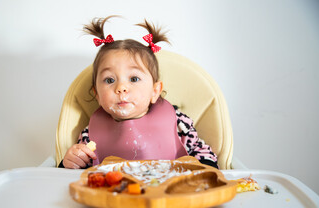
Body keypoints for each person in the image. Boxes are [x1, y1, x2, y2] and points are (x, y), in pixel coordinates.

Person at [60, 16, 218, 169]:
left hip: (168, 192)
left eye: (134, 79)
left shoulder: (177, 123)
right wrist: (70, 162)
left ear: (155, 91)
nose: (121, 88)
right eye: (109, 80)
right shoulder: (91, 134)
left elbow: (203, 153)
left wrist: (203, 171)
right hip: (114, 194)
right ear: (97, 95)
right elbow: (77, 171)